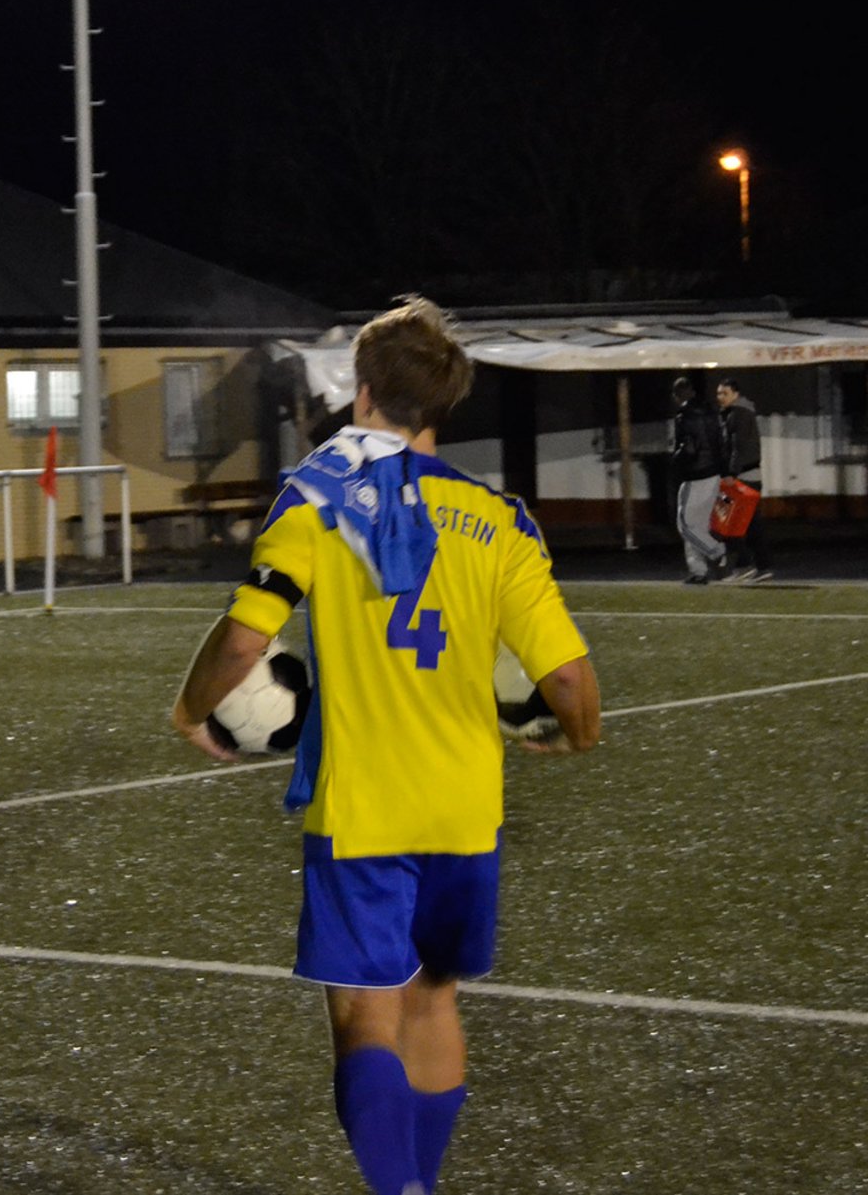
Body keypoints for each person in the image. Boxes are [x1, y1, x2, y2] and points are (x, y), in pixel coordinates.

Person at [171, 296, 600, 1195]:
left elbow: (248, 639)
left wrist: (190, 708)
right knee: (434, 998)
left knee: (367, 1013)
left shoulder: (319, 498)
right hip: (465, 809)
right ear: (439, 406)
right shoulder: (502, 521)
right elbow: (566, 679)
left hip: (363, 808)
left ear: (363, 392)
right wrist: (578, 733)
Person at [715, 377, 774, 582]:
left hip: (743, 478)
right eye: (719, 393)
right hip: (747, 476)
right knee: (745, 524)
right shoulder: (736, 413)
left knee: (734, 523)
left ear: (735, 394)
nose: (720, 397)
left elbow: (738, 447)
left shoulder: (738, 414)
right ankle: (752, 566)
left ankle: (749, 566)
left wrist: (731, 472)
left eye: (724, 393)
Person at [670, 376, 727, 584]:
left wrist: (676, 459)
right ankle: (698, 571)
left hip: (695, 474)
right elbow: (721, 442)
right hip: (714, 473)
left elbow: (689, 448)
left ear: (678, 395)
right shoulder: (712, 412)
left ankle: (717, 552)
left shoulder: (684, 416)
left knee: (684, 524)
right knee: (698, 526)